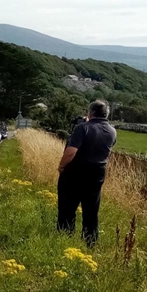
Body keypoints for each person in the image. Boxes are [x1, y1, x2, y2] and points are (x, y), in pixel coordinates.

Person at [57, 99, 117, 247]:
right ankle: (90, 242)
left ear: (90, 112)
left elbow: (71, 152)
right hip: (98, 173)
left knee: (67, 208)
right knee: (91, 210)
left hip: (76, 172)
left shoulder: (82, 128)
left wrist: (61, 166)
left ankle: (65, 239)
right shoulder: (112, 131)